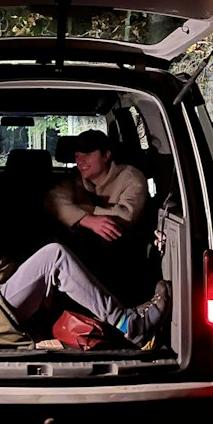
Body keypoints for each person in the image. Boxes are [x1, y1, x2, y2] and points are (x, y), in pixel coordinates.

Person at [0, 147, 168, 349]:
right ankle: (130, 325)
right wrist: (29, 270)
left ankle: (119, 318)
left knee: (50, 263)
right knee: (53, 255)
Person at [44, 129, 152, 302]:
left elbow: (125, 215)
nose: (80, 160)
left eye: (87, 154)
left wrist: (85, 211)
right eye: (77, 155)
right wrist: (87, 220)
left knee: (111, 235)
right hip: (83, 256)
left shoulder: (131, 178)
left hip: (122, 256)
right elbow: (54, 202)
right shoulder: (74, 178)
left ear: (106, 155)